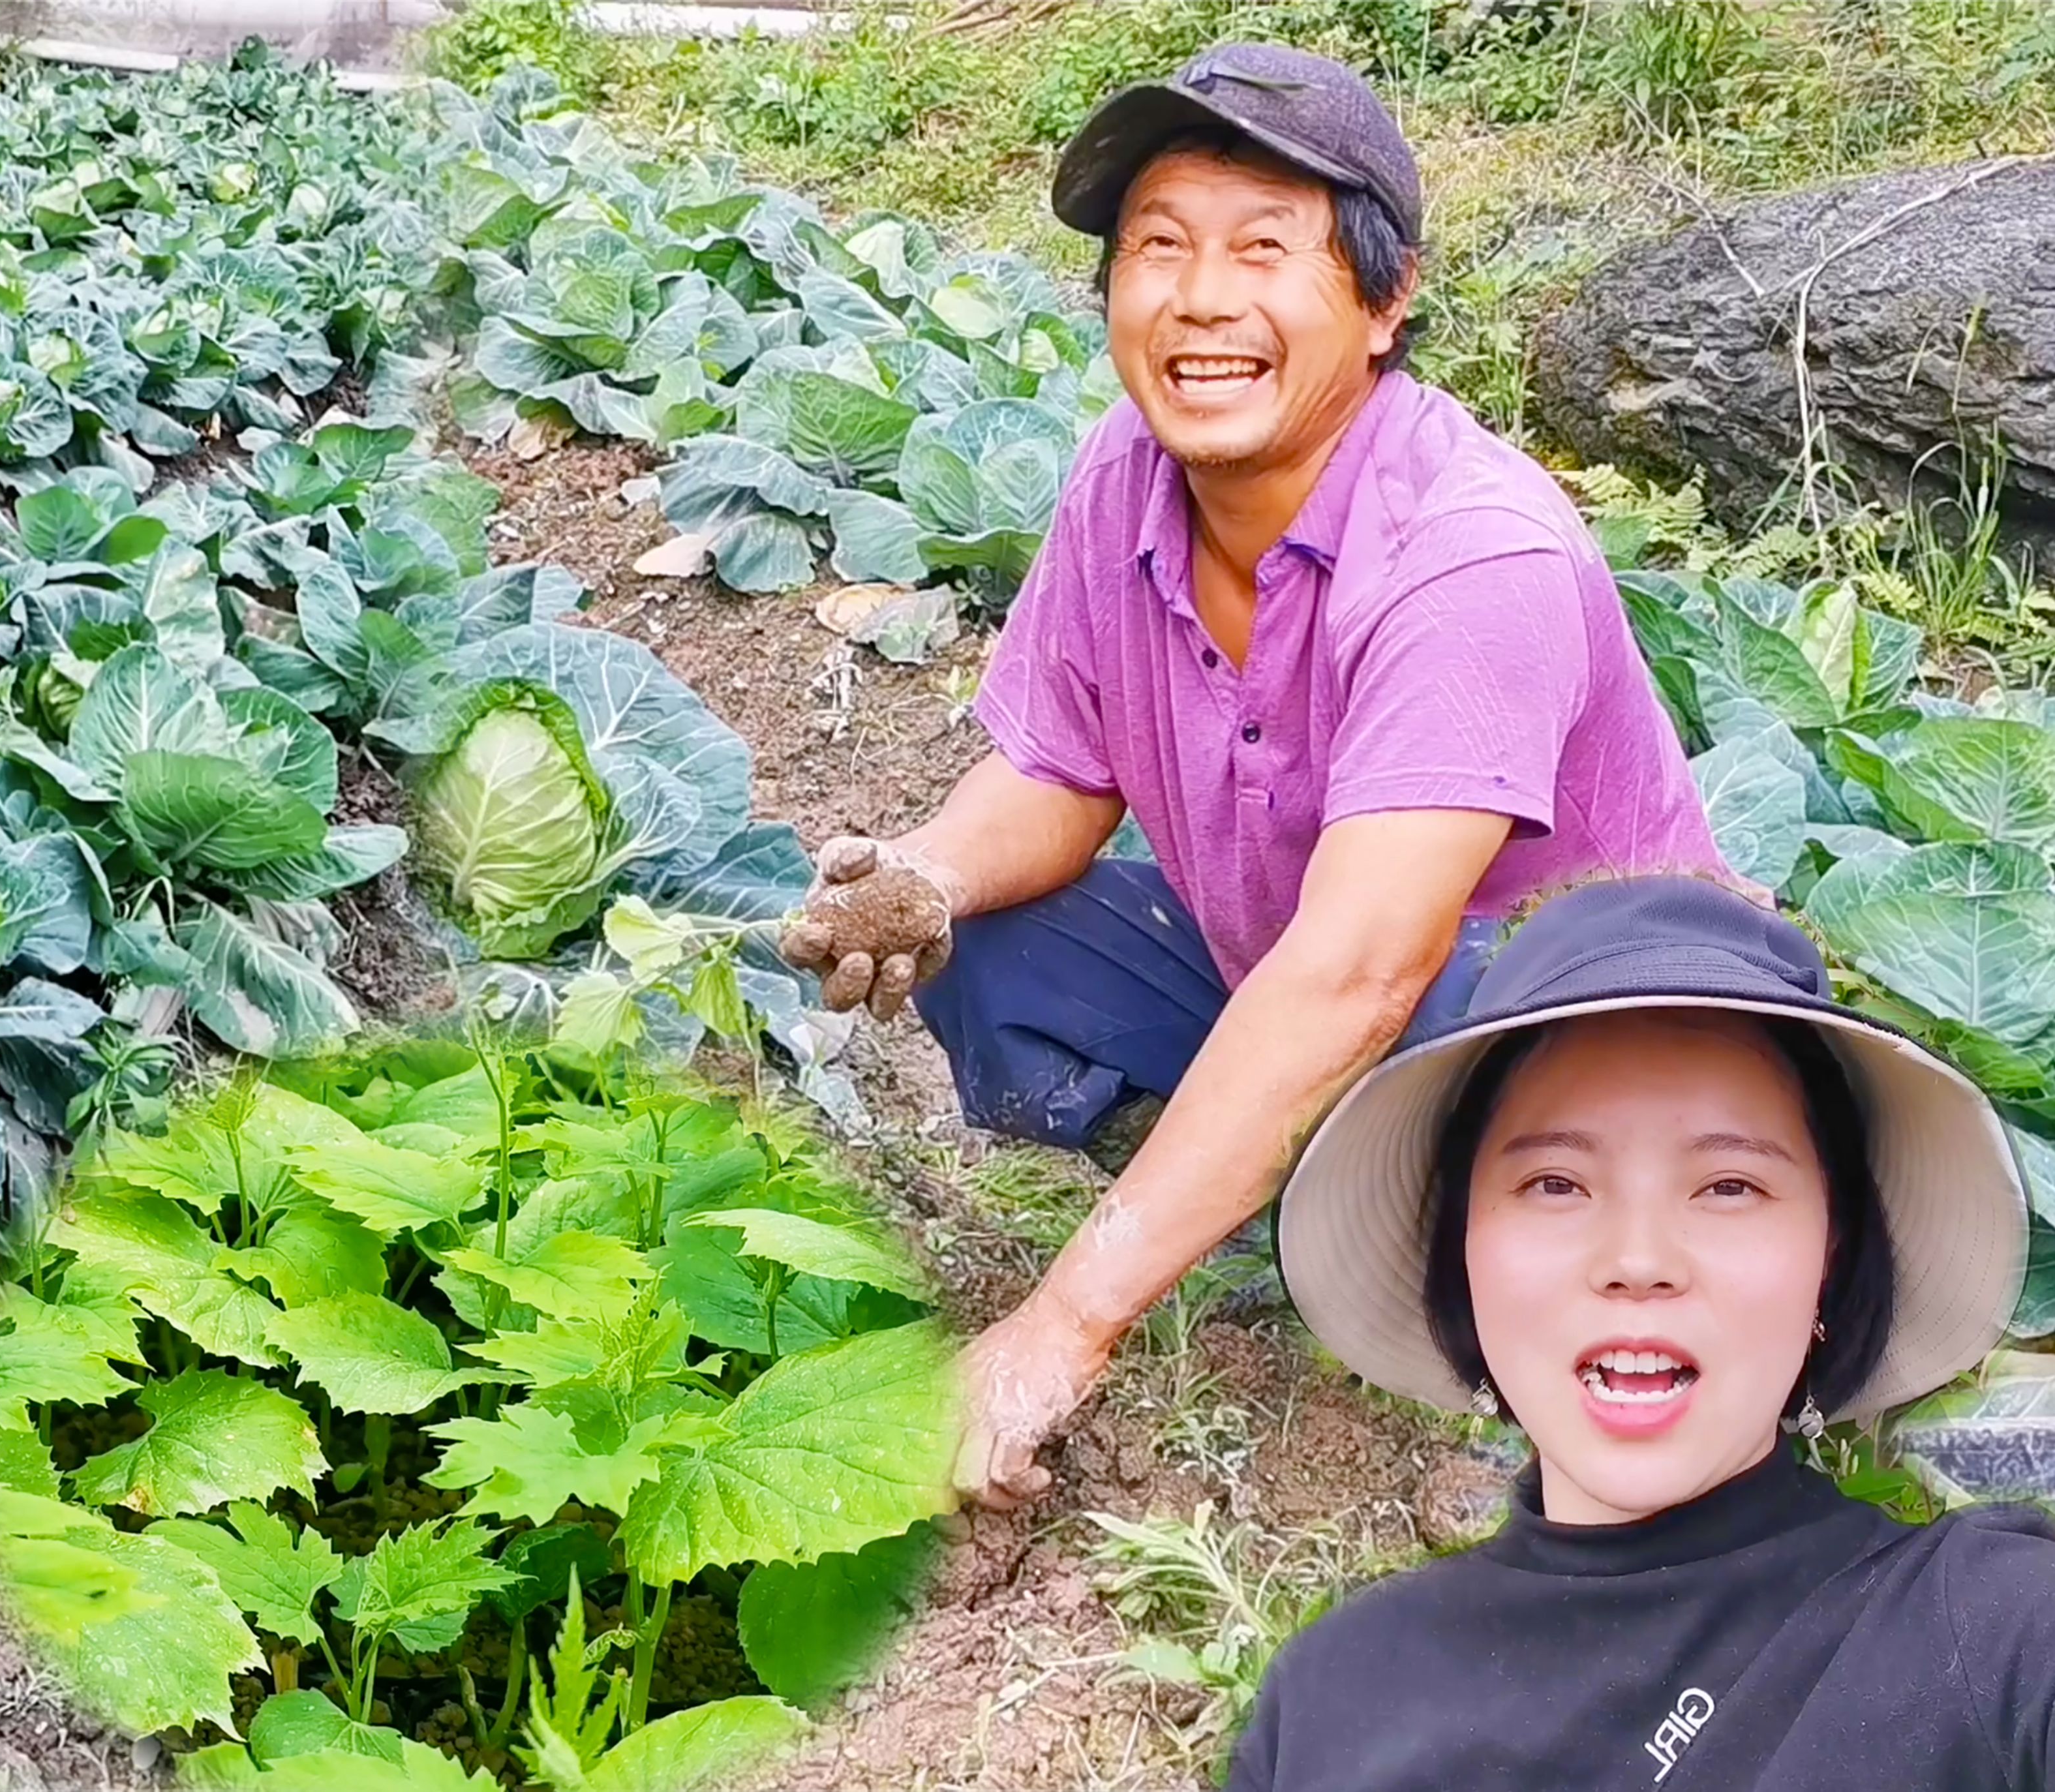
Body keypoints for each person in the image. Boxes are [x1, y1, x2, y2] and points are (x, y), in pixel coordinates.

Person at [775, 41, 1731, 1510]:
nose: (1199, 299)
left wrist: (1058, 1329)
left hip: (1587, 1043)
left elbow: (1359, 969)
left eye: (1263, 249)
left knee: (1459, 999)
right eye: (1156, 247)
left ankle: (1516, 1317)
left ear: (1381, 299)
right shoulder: (1123, 476)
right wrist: (927, 875)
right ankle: (1267, 1207)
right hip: (1301, 987)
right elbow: (1051, 772)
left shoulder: (1469, 551)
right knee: (986, 948)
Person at [1238, 875, 2047, 1789]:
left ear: (1831, 1253)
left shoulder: (1989, 1636)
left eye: (1729, 1186)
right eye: (1556, 1184)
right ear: (1462, 1248)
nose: (1638, 1258)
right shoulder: (1326, 1700)